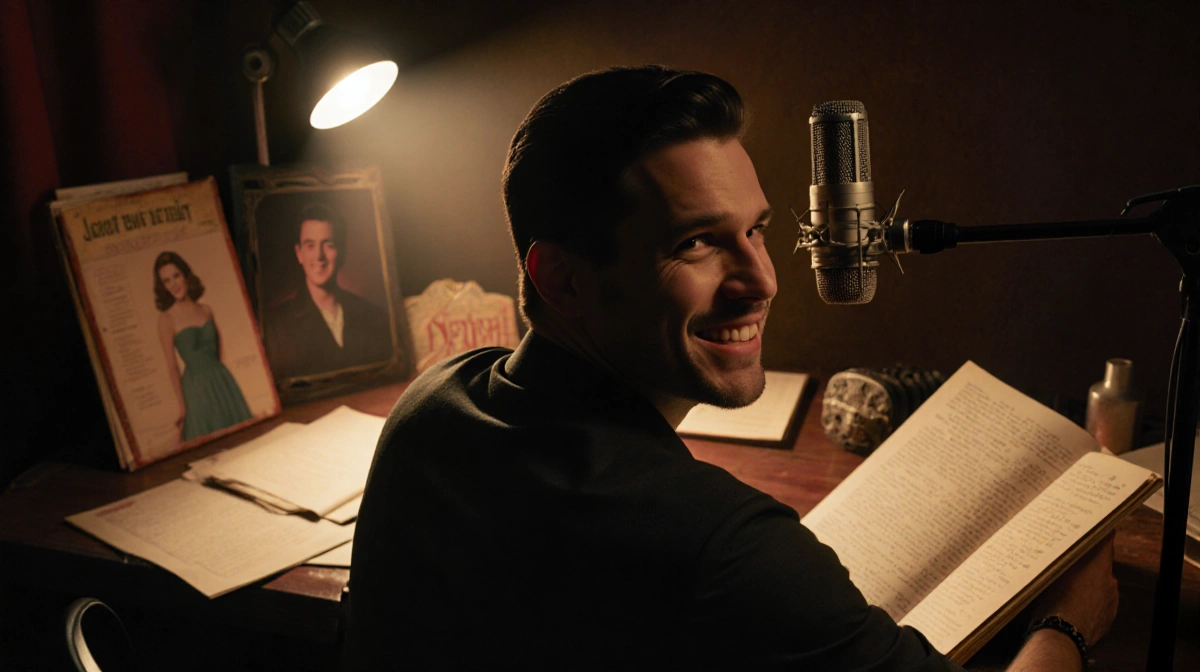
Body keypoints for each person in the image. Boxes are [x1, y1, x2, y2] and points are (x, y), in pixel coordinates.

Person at [342, 66, 1117, 671]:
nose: (763, 279)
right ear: (561, 278)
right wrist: (1067, 624)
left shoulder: (431, 401)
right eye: (696, 242)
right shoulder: (720, 546)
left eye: (757, 230)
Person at [265, 203, 393, 379]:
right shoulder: (275, 328)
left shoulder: (373, 316)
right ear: (298, 253)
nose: (319, 256)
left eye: (328, 245)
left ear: (342, 252)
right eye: (310, 246)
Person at [154, 251, 252, 442]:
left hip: (222, 381)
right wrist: (182, 407)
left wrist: (223, 381)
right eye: (167, 281)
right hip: (196, 389)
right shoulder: (166, 319)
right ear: (163, 287)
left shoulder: (207, 311)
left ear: (185, 275)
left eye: (176, 276)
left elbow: (219, 352)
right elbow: (173, 368)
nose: (174, 284)